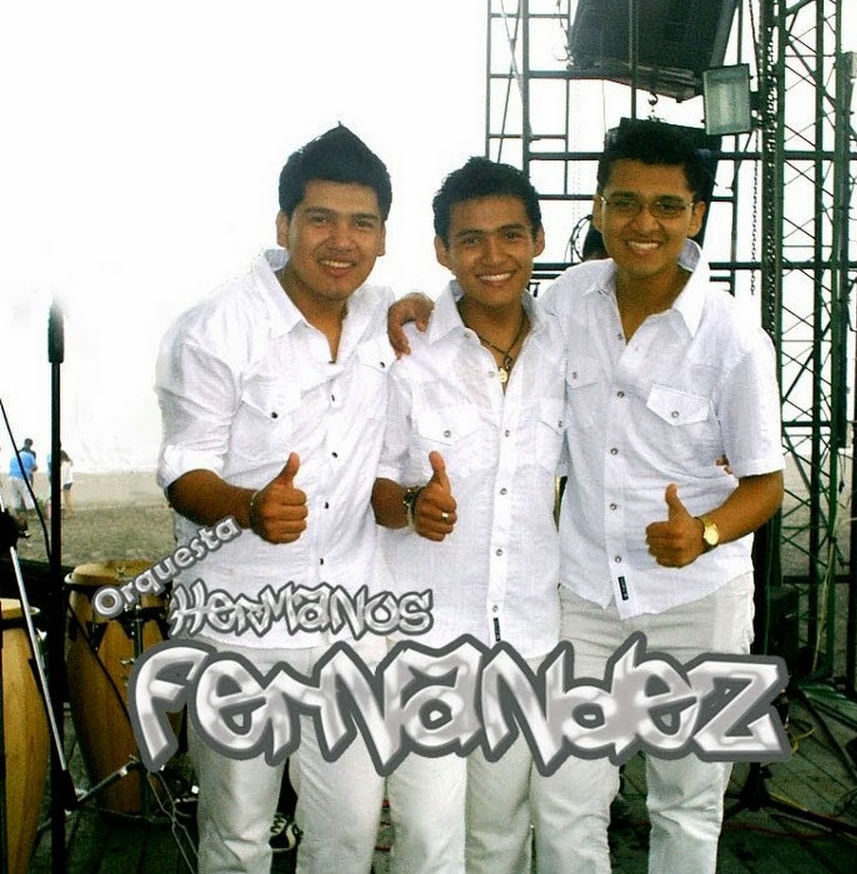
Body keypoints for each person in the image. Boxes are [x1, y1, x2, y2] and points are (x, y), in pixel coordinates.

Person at [388, 119, 785, 873]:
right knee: (566, 800)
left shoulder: (733, 335)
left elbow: (768, 483)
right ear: (598, 208)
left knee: (687, 804)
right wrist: (419, 303)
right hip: (585, 601)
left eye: (667, 206)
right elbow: (487, 305)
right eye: (625, 201)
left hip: (701, 600)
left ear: (696, 214)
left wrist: (704, 531)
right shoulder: (568, 300)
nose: (644, 223)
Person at [155, 124, 394, 874]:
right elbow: (183, 470)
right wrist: (247, 507)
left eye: (362, 223)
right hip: (239, 617)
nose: (341, 241)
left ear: (383, 236)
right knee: (238, 835)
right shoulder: (214, 327)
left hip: (352, 620)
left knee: (349, 831)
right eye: (321, 219)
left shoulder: (385, 319)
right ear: (284, 224)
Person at [372, 156, 604, 874]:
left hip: (527, 636)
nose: (493, 255)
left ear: (538, 240)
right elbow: (373, 485)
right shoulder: (405, 351)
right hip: (425, 640)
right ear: (442, 250)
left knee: (502, 833)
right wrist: (412, 505)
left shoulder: (569, 345)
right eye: (470, 239)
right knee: (426, 837)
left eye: (510, 235)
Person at [8, 438, 38, 533]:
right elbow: (35, 467)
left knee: (15, 495)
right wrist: (30, 470)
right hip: (22, 476)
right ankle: (32, 514)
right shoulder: (30, 455)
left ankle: (16, 513)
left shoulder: (15, 456)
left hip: (12, 476)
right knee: (27, 494)